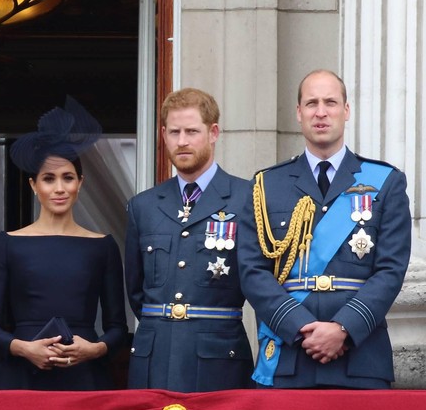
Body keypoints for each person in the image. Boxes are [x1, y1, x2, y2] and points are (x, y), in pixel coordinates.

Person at [238, 69, 411, 389]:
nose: (321, 112)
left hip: (360, 358)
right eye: (311, 103)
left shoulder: (385, 182)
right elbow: (251, 271)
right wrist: (300, 327)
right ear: (299, 112)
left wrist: (344, 328)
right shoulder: (266, 185)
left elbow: (391, 270)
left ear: (346, 111)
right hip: (290, 356)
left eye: (330, 102)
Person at [0, 96, 127, 390]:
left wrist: (95, 349)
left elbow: (118, 329)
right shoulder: (8, 244)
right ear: (33, 185)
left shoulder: (102, 246)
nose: (59, 188)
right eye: (49, 178)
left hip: (85, 377)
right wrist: (23, 348)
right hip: (21, 377)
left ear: (80, 183)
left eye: (67, 177)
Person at [125, 88, 253, 391]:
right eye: (174, 132)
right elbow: (135, 289)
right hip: (154, 357)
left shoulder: (246, 198)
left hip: (219, 359)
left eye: (192, 131)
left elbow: (259, 282)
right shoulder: (143, 206)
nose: (182, 141)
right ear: (163, 134)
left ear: (213, 133)